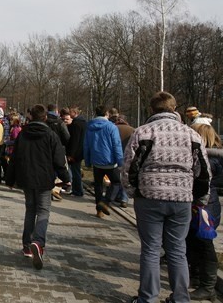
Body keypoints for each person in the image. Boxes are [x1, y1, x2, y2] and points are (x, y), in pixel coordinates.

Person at [123, 91, 211, 303]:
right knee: (177, 250)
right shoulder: (192, 135)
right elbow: (203, 171)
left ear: (151, 110)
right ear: (174, 109)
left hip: (150, 196)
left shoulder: (143, 132)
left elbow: (129, 167)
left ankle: (147, 298)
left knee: (151, 250)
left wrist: (133, 192)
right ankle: (180, 298)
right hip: (182, 198)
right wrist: (200, 199)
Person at [6, 104, 70, 270]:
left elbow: (15, 158)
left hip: (26, 178)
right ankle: (38, 242)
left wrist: (10, 179)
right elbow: (59, 160)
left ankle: (27, 245)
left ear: (31, 117)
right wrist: (66, 178)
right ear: (45, 117)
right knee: (43, 211)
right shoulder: (50, 135)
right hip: (44, 179)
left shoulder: (23, 134)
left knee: (30, 210)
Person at [187, 123, 222, 302]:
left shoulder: (210, 159)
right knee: (192, 239)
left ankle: (208, 286)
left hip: (206, 205)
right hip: (204, 202)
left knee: (204, 243)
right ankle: (196, 276)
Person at [84, 105, 123, 218]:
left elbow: (86, 145)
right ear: (107, 113)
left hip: (96, 161)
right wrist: (120, 161)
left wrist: (87, 161)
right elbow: (116, 145)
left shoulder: (89, 126)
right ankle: (106, 202)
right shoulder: (111, 127)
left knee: (98, 185)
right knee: (116, 183)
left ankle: (99, 211)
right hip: (110, 161)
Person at [66, 106, 86, 197]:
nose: (69, 114)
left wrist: (71, 154)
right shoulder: (83, 123)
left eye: (71, 112)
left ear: (75, 112)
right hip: (81, 151)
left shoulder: (76, 124)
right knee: (76, 171)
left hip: (76, 152)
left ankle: (78, 191)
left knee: (76, 172)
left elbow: (75, 140)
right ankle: (78, 189)